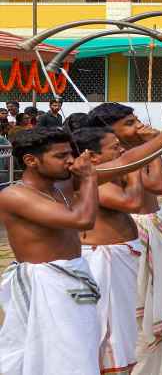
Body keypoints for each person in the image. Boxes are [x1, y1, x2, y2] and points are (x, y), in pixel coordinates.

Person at [89, 103, 162, 375]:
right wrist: (151, 144)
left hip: (150, 231)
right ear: (109, 132)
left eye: (136, 120)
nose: (137, 126)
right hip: (133, 238)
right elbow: (157, 186)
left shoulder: (129, 154)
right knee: (135, 317)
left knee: (152, 316)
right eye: (128, 123)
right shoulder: (113, 161)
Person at [0, 128, 102, 374]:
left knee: (79, 352)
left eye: (71, 153)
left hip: (71, 281)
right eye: (61, 155)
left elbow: (127, 163)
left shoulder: (59, 187)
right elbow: (83, 220)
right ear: (31, 161)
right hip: (48, 286)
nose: (70, 160)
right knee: (63, 358)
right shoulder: (14, 195)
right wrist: (89, 179)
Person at [73, 127, 145, 375]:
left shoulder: (108, 176)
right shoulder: (94, 180)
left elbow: (157, 184)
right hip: (104, 260)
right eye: (115, 147)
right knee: (107, 334)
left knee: (120, 332)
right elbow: (134, 202)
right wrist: (135, 168)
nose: (122, 150)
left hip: (118, 258)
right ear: (92, 156)